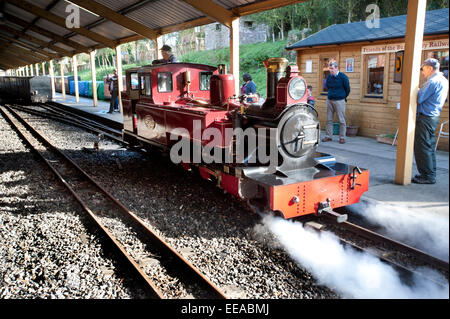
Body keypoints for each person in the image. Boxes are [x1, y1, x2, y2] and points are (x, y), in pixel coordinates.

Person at [412, 58, 449, 184]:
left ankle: (427, 176)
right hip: (432, 117)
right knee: (429, 147)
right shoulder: (444, 80)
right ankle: (430, 173)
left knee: (422, 148)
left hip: (425, 117)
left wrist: (414, 90)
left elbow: (419, 98)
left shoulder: (432, 81)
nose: (422, 72)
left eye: (423, 69)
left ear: (430, 68)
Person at [321, 61, 350, 144]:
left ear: (337, 68)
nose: (330, 70)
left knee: (341, 120)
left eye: (332, 68)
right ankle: (328, 136)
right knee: (329, 119)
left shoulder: (343, 77)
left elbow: (347, 89)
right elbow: (327, 87)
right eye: (329, 69)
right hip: (329, 100)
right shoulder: (329, 77)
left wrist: (342, 96)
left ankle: (342, 137)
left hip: (340, 100)